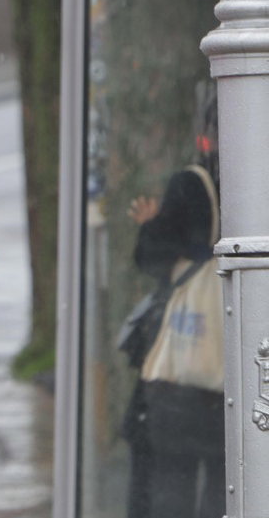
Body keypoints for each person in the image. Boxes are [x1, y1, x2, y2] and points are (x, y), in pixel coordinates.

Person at [124, 135, 223, 518]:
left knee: (171, 485)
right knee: (225, 484)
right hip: (219, 390)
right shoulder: (235, 185)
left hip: (176, 391)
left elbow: (152, 257)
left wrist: (151, 226)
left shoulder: (190, 183)